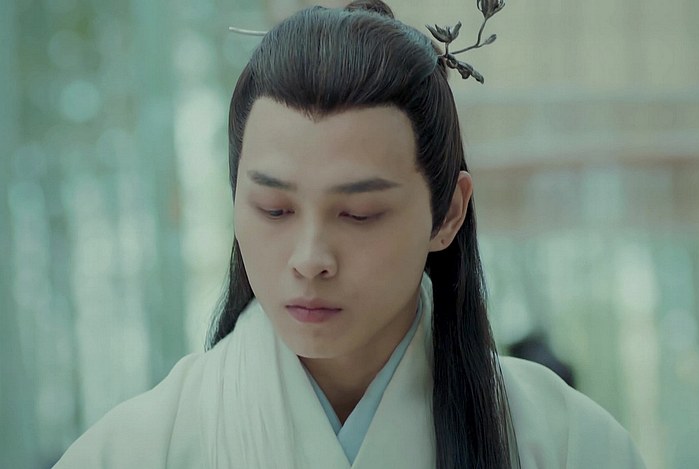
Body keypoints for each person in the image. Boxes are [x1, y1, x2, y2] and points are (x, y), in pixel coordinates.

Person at [55, 1, 645, 467]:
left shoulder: (568, 444)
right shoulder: (134, 450)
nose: (310, 259)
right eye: (274, 209)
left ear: (448, 214)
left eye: (359, 214)